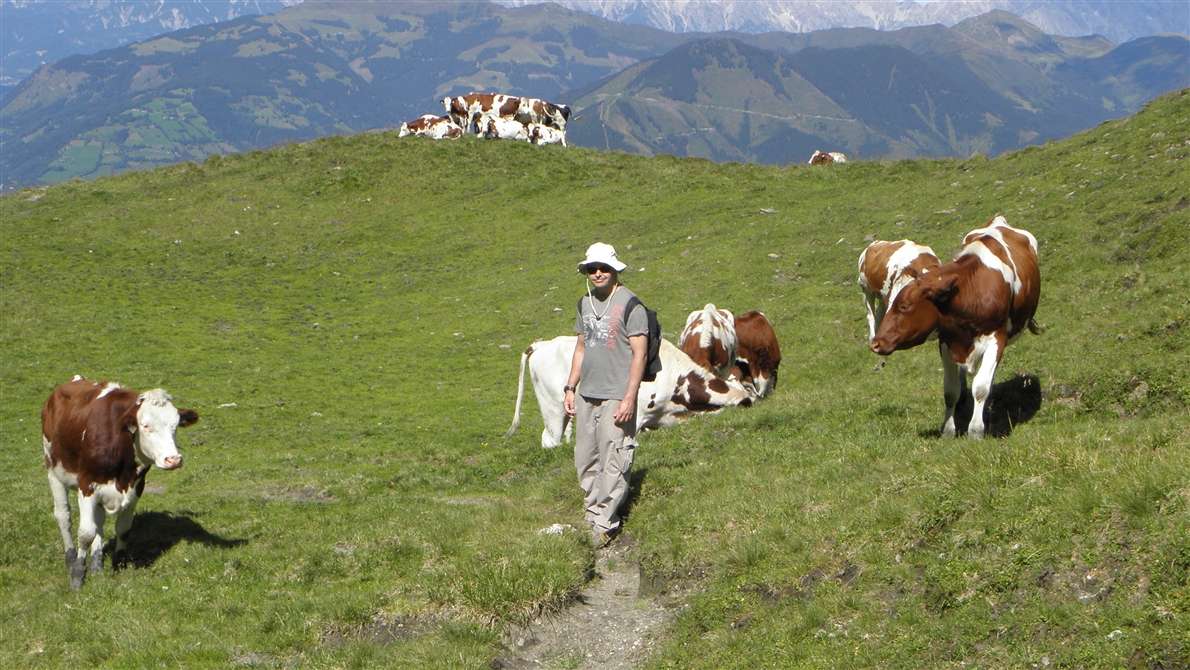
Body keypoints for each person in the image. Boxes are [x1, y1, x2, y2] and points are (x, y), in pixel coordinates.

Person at [563, 242, 648, 548]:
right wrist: (570, 387)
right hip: (587, 392)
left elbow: (639, 355)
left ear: (615, 270)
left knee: (615, 456)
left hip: (616, 393)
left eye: (603, 268)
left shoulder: (631, 305)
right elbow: (581, 347)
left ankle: (606, 522)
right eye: (592, 269)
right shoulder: (583, 304)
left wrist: (629, 397)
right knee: (586, 456)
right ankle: (591, 511)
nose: (598, 273)